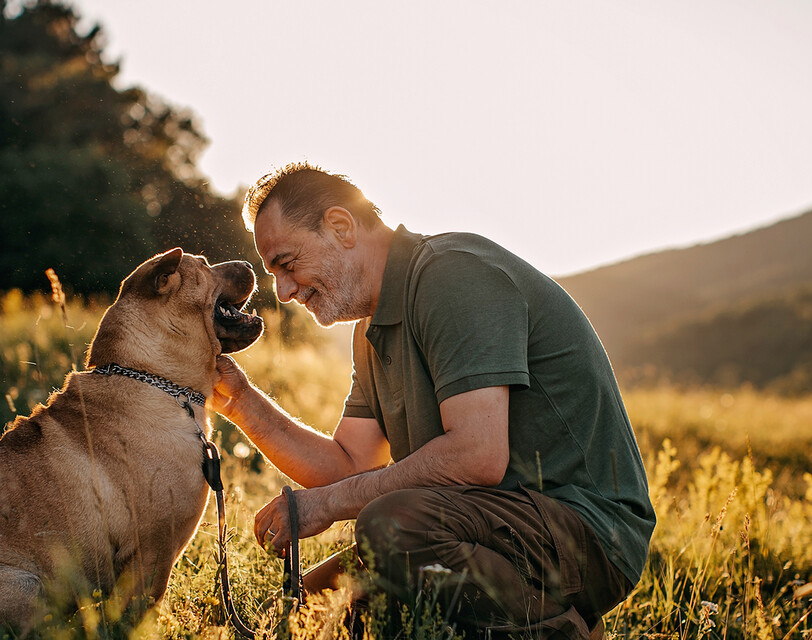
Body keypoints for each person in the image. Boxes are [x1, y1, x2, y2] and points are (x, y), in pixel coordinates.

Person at [209, 163, 655, 639]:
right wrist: (238, 399)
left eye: (287, 263)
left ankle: (556, 630)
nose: (284, 291)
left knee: (390, 527)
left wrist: (329, 504)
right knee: (299, 618)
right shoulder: (370, 328)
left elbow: (476, 456)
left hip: (586, 533)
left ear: (340, 226)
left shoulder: (451, 275)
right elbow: (348, 464)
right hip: (481, 525)